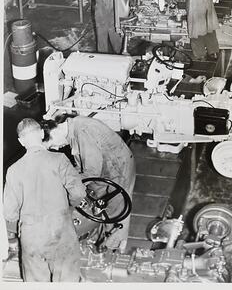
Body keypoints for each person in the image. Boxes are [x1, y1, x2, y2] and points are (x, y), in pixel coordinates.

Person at [3, 118, 86, 282]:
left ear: (21, 141)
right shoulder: (60, 160)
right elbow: (79, 193)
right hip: (61, 230)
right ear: (41, 133)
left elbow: (9, 213)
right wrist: (68, 208)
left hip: (32, 235)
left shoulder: (13, 170)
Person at [42, 113, 136, 251]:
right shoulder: (75, 128)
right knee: (99, 207)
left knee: (116, 214)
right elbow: (83, 166)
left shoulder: (83, 132)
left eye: (52, 145)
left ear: (54, 132)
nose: (56, 148)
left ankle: (112, 250)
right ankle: (99, 238)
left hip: (118, 170)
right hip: (107, 170)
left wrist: (65, 184)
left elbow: (92, 172)